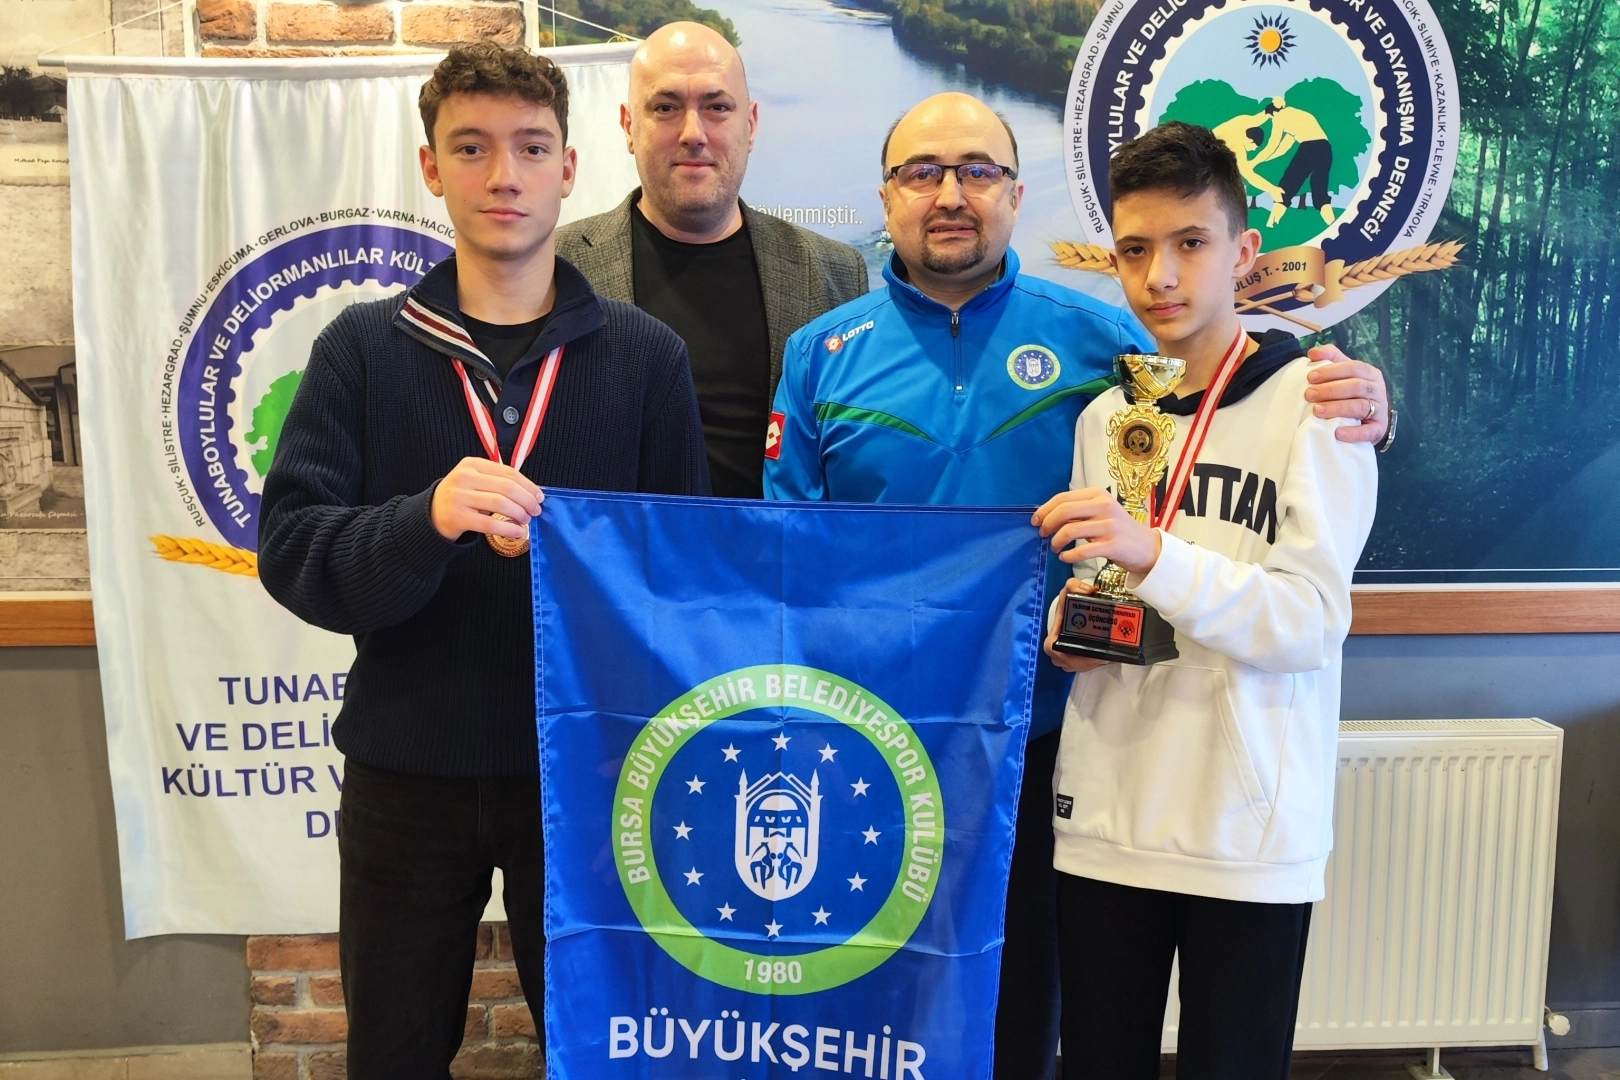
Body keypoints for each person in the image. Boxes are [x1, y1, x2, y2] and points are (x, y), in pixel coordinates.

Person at [764, 93, 1392, 1080]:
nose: (951, 193)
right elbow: (787, 551)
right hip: (888, 738)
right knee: (867, 998)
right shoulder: (825, 354)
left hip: (1047, 744)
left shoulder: (1116, 352)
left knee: (1030, 1016)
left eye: (978, 170)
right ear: (885, 196)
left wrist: (1372, 407)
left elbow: (1235, 400)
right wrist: (1076, 617)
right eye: (922, 172)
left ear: (1017, 195)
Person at [257, 44, 709, 1079]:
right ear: (431, 167)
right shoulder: (360, 349)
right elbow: (292, 554)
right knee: (396, 1052)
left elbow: (682, 580)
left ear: (570, 167)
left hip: (590, 775)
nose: (504, 174)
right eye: (471, 148)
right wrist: (424, 520)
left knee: (608, 1055)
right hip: (405, 771)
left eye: (531, 148)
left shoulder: (647, 358)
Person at [1034, 120, 1376, 1078]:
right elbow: (1102, 588)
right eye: (1135, 250)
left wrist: (1155, 555)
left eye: (1191, 242)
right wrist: (1073, 629)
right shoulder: (1109, 416)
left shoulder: (1321, 403)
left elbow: (1309, 622)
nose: (1162, 276)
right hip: (1107, 824)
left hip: (1245, 830)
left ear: (1244, 251)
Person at [555, 21, 867, 498]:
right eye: (665, 107)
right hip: (617, 546)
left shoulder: (834, 273)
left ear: (751, 124)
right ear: (629, 126)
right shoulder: (556, 268)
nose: (693, 133)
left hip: (777, 547)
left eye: (717, 107)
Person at [1251, 96, 1337, 225]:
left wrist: (1254, 162)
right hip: (1325, 148)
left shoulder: (1279, 118)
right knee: (1320, 188)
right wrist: (1263, 160)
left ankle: (1271, 224)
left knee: (1286, 187)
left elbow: (1272, 145)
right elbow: (1283, 149)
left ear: (1273, 113)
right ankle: (1331, 222)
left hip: (1309, 147)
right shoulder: (1297, 114)